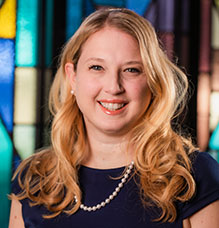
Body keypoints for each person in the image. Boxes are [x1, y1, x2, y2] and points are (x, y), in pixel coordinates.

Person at [9, 8, 219, 228]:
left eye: (131, 70)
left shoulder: (193, 176)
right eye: (97, 67)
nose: (113, 87)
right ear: (72, 77)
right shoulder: (34, 179)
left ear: (153, 82)